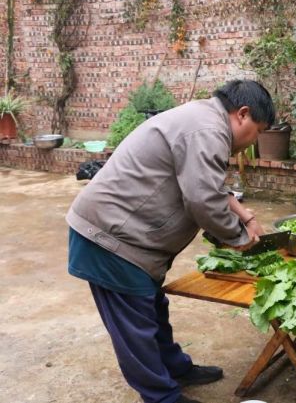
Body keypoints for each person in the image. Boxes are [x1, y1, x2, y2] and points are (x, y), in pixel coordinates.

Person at [66, 80, 274, 403]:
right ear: (242, 114)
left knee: (152, 308)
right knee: (136, 327)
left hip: (129, 237)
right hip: (109, 238)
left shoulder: (206, 122)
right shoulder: (208, 130)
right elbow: (203, 199)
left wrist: (244, 215)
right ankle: (163, 397)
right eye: (258, 131)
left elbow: (209, 183)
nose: (253, 142)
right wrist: (237, 238)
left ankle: (176, 368)